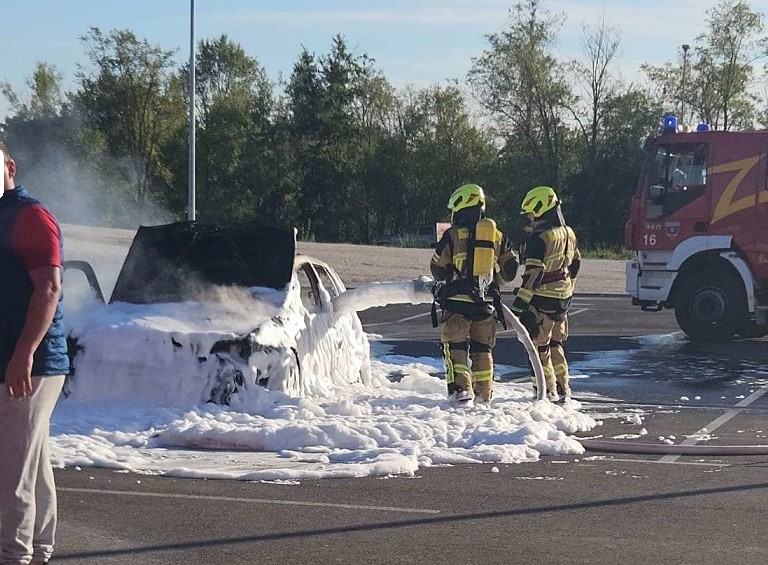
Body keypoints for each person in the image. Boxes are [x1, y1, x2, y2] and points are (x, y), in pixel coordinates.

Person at [0, 140, 69, 565]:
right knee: (29, 462)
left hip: (30, 364)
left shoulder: (28, 215)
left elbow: (49, 287)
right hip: (13, 359)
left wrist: (23, 354)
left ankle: (14, 555)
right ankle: (38, 550)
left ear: (9, 166)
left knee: (12, 474)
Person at [430, 183, 519, 405]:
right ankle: (484, 396)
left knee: (455, 347)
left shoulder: (452, 235)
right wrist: (490, 284)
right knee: (482, 349)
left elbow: (438, 269)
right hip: (485, 305)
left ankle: (460, 392)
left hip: (457, 304)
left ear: (460, 206)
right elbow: (510, 272)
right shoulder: (496, 236)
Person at [510, 186, 581, 403]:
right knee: (556, 345)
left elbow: (533, 274)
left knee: (538, 346)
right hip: (564, 298)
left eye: (530, 213)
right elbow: (576, 262)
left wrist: (519, 306)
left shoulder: (538, 238)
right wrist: (568, 288)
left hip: (543, 299)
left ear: (540, 209)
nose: (529, 218)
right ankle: (564, 390)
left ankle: (545, 393)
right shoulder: (568, 232)